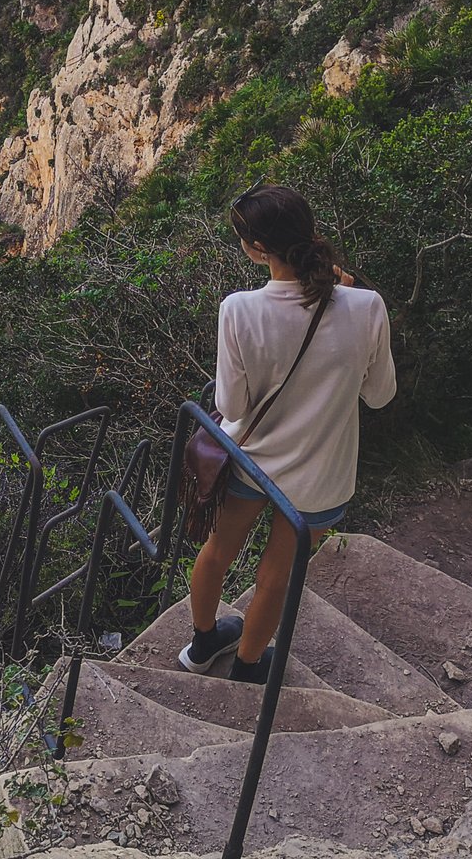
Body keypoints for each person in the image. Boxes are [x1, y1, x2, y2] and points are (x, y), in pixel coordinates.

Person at [178, 183, 396, 683]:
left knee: (217, 552)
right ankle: (250, 666)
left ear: (256, 249)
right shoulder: (367, 307)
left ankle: (204, 641)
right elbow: (380, 396)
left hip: (253, 464)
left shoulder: (240, 309)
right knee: (277, 575)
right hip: (322, 476)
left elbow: (230, 406)